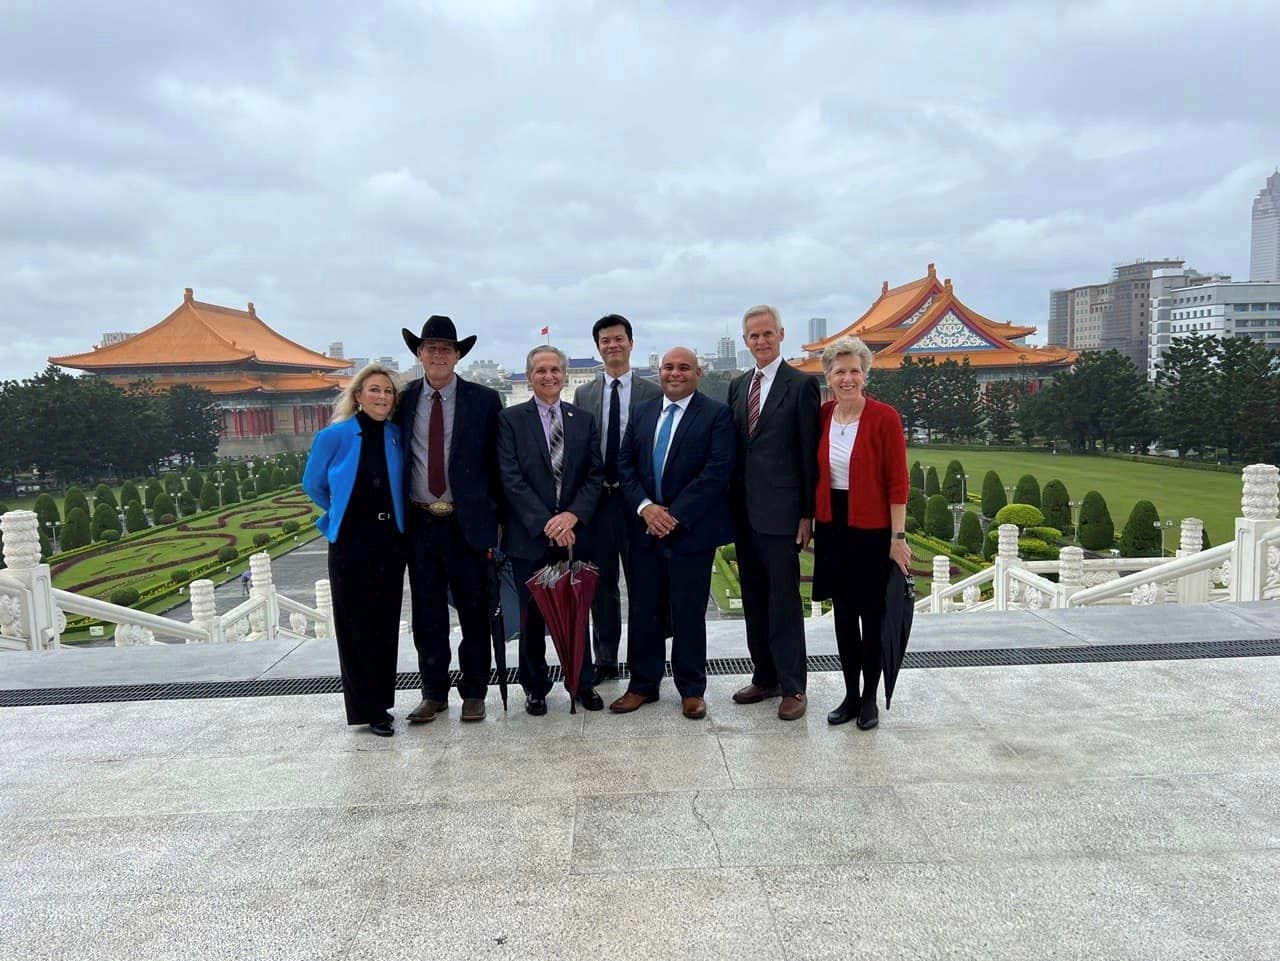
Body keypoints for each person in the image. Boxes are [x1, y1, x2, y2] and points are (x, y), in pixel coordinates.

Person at [611, 347, 735, 719]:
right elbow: (625, 465)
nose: (675, 373)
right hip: (644, 529)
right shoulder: (643, 412)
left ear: (698, 373)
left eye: (684, 367)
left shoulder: (716, 414)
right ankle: (642, 685)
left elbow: (716, 471)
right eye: (668, 367)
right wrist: (646, 508)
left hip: (690, 532)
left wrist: (673, 516)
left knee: (688, 613)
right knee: (644, 610)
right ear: (659, 372)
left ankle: (691, 689)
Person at [396, 315, 504, 725]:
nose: (438, 355)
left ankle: (474, 692)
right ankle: (433, 693)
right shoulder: (403, 400)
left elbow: (498, 464)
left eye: (446, 348)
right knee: (427, 615)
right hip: (421, 523)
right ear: (419, 354)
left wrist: (499, 521)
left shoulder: (484, 400)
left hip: (468, 523)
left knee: (475, 612)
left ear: (458, 355)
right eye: (430, 348)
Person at [497, 346, 605, 715]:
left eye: (555, 370)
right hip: (530, 536)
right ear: (529, 376)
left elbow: (594, 475)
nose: (549, 376)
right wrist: (547, 522)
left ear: (565, 375)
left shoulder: (582, 420)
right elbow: (510, 478)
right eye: (541, 370)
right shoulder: (511, 420)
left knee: (577, 611)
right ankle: (535, 686)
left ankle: (582, 681)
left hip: (574, 535)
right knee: (531, 617)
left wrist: (572, 516)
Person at [810, 336, 910, 730]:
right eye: (840, 372)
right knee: (843, 616)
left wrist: (897, 538)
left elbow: (898, 483)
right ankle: (850, 694)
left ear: (865, 375)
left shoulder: (885, 417)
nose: (847, 378)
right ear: (829, 377)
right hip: (832, 525)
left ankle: (869, 699)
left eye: (854, 371)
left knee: (871, 616)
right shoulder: (824, 415)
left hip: (871, 529)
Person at [301, 363, 407, 738]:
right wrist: (342, 511)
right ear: (358, 395)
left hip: (390, 540)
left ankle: (383, 702)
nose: (382, 397)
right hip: (351, 541)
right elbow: (312, 484)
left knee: (384, 624)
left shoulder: (396, 435)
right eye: (374, 389)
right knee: (355, 625)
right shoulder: (336, 435)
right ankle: (368, 709)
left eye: (388, 391)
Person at [727, 305, 820, 721]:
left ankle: (793, 685)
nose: (761, 341)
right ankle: (764, 676)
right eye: (754, 336)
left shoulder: (800, 385)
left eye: (768, 333)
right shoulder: (738, 386)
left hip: (782, 515)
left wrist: (807, 513)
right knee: (754, 599)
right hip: (744, 514)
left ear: (781, 334)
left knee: (783, 601)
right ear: (745, 341)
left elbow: (808, 453)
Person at [573, 314, 662, 682]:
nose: (613, 345)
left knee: (643, 585)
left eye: (619, 339)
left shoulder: (652, 392)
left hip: (637, 502)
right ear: (598, 347)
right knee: (601, 585)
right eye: (605, 340)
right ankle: (606, 659)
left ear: (631, 343)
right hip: (599, 502)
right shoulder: (585, 394)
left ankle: (644, 663)